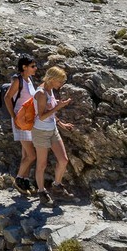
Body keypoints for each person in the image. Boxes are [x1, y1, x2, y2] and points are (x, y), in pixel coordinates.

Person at [32, 66, 73, 204]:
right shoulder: (41, 93)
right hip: (41, 131)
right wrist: (58, 107)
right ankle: (41, 192)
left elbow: (51, 113)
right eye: (60, 82)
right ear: (52, 79)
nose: (61, 85)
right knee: (41, 164)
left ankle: (57, 185)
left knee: (63, 160)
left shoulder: (50, 90)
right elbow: (42, 116)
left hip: (52, 129)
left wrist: (62, 124)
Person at [3, 54, 38, 192]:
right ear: (24, 67)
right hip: (20, 120)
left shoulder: (29, 80)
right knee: (32, 155)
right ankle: (18, 179)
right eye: (32, 66)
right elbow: (7, 97)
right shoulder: (18, 80)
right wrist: (14, 117)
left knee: (26, 155)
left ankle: (25, 180)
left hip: (28, 120)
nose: (35, 68)